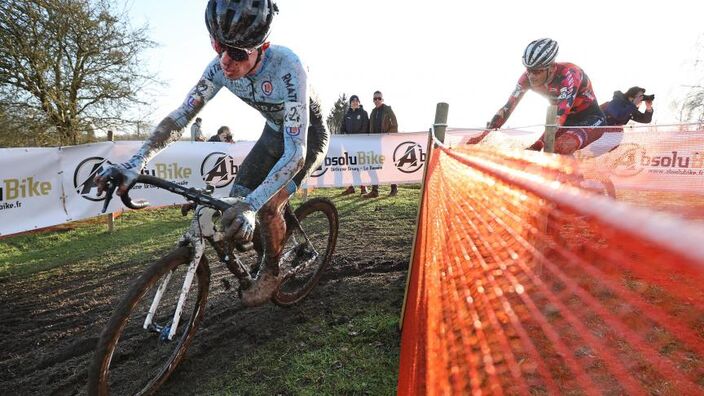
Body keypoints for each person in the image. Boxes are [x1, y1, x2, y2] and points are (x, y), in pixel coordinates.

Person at [95, 0, 329, 307]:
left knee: (267, 207)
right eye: (218, 46)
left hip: (307, 138)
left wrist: (252, 206)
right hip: (273, 134)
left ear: (263, 46)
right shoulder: (219, 68)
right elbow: (181, 118)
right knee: (236, 198)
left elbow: (295, 153)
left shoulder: (289, 68)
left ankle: (272, 271)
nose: (225, 61)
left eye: (237, 53)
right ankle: (265, 244)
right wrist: (135, 161)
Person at [468, 38, 606, 155]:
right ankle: (568, 181)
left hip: (590, 118)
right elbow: (508, 108)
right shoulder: (526, 79)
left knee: (561, 146)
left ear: (551, 67)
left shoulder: (569, 74)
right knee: (546, 152)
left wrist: (538, 144)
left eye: (537, 71)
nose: (532, 76)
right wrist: (482, 135)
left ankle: (574, 184)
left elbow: (560, 115)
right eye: (528, 70)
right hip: (563, 121)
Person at [366, 90, 398, 198]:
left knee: (389, 165)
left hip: (386, 142)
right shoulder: (373, 112)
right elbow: (370, 127)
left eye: (379, 98)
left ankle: (394, 188)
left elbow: (395, 124)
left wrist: (389, 137)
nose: (377, 100)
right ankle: (375, 190)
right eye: (375, 98)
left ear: (382, 99)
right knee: (373, 166)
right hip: (374, 143)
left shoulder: (388, 109)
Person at [339, 94, 369, 195]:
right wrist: (343, 135)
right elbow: (342, 128)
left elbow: (365, 128)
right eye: (353, 101)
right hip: (349, 146)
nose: (355, 102)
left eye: (356, 101)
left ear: (359, 102)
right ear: (350, 103)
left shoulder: (364, 113)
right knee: (351, 167)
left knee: (361, 167)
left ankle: (363, 187)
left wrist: (355, 138)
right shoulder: (347, 115)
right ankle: (351, 187)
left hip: (361, 145)